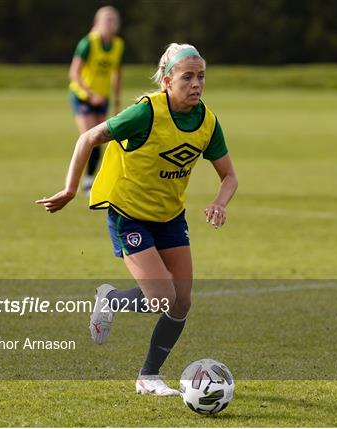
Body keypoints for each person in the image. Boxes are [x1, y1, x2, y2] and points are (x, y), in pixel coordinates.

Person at [37, 43, 238, 396]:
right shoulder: (145, 113)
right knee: (161, 297)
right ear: (166, 80)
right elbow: (88, 137)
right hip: (130, 216)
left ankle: (149, 376)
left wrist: (220, 203)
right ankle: (110, 299)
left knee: (182, 301)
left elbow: (229, 176)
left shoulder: (207, 121)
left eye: (201, 76)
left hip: (170, 218)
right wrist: (70, 190)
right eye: (187, 77)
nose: (196, 84)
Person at [68, 5, 124, 194]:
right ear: (97, 23)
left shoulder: (117, 45)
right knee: (89, 137)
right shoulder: (88, 43)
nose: (110, 24)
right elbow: (74, 73)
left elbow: (117, 72)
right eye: (106, 20)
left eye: (113, 20)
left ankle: (90, 180)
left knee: (102, 139)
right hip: (82, 96)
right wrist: (90, 94)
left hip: (102, 98)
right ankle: (83, 183)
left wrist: (116, 99)